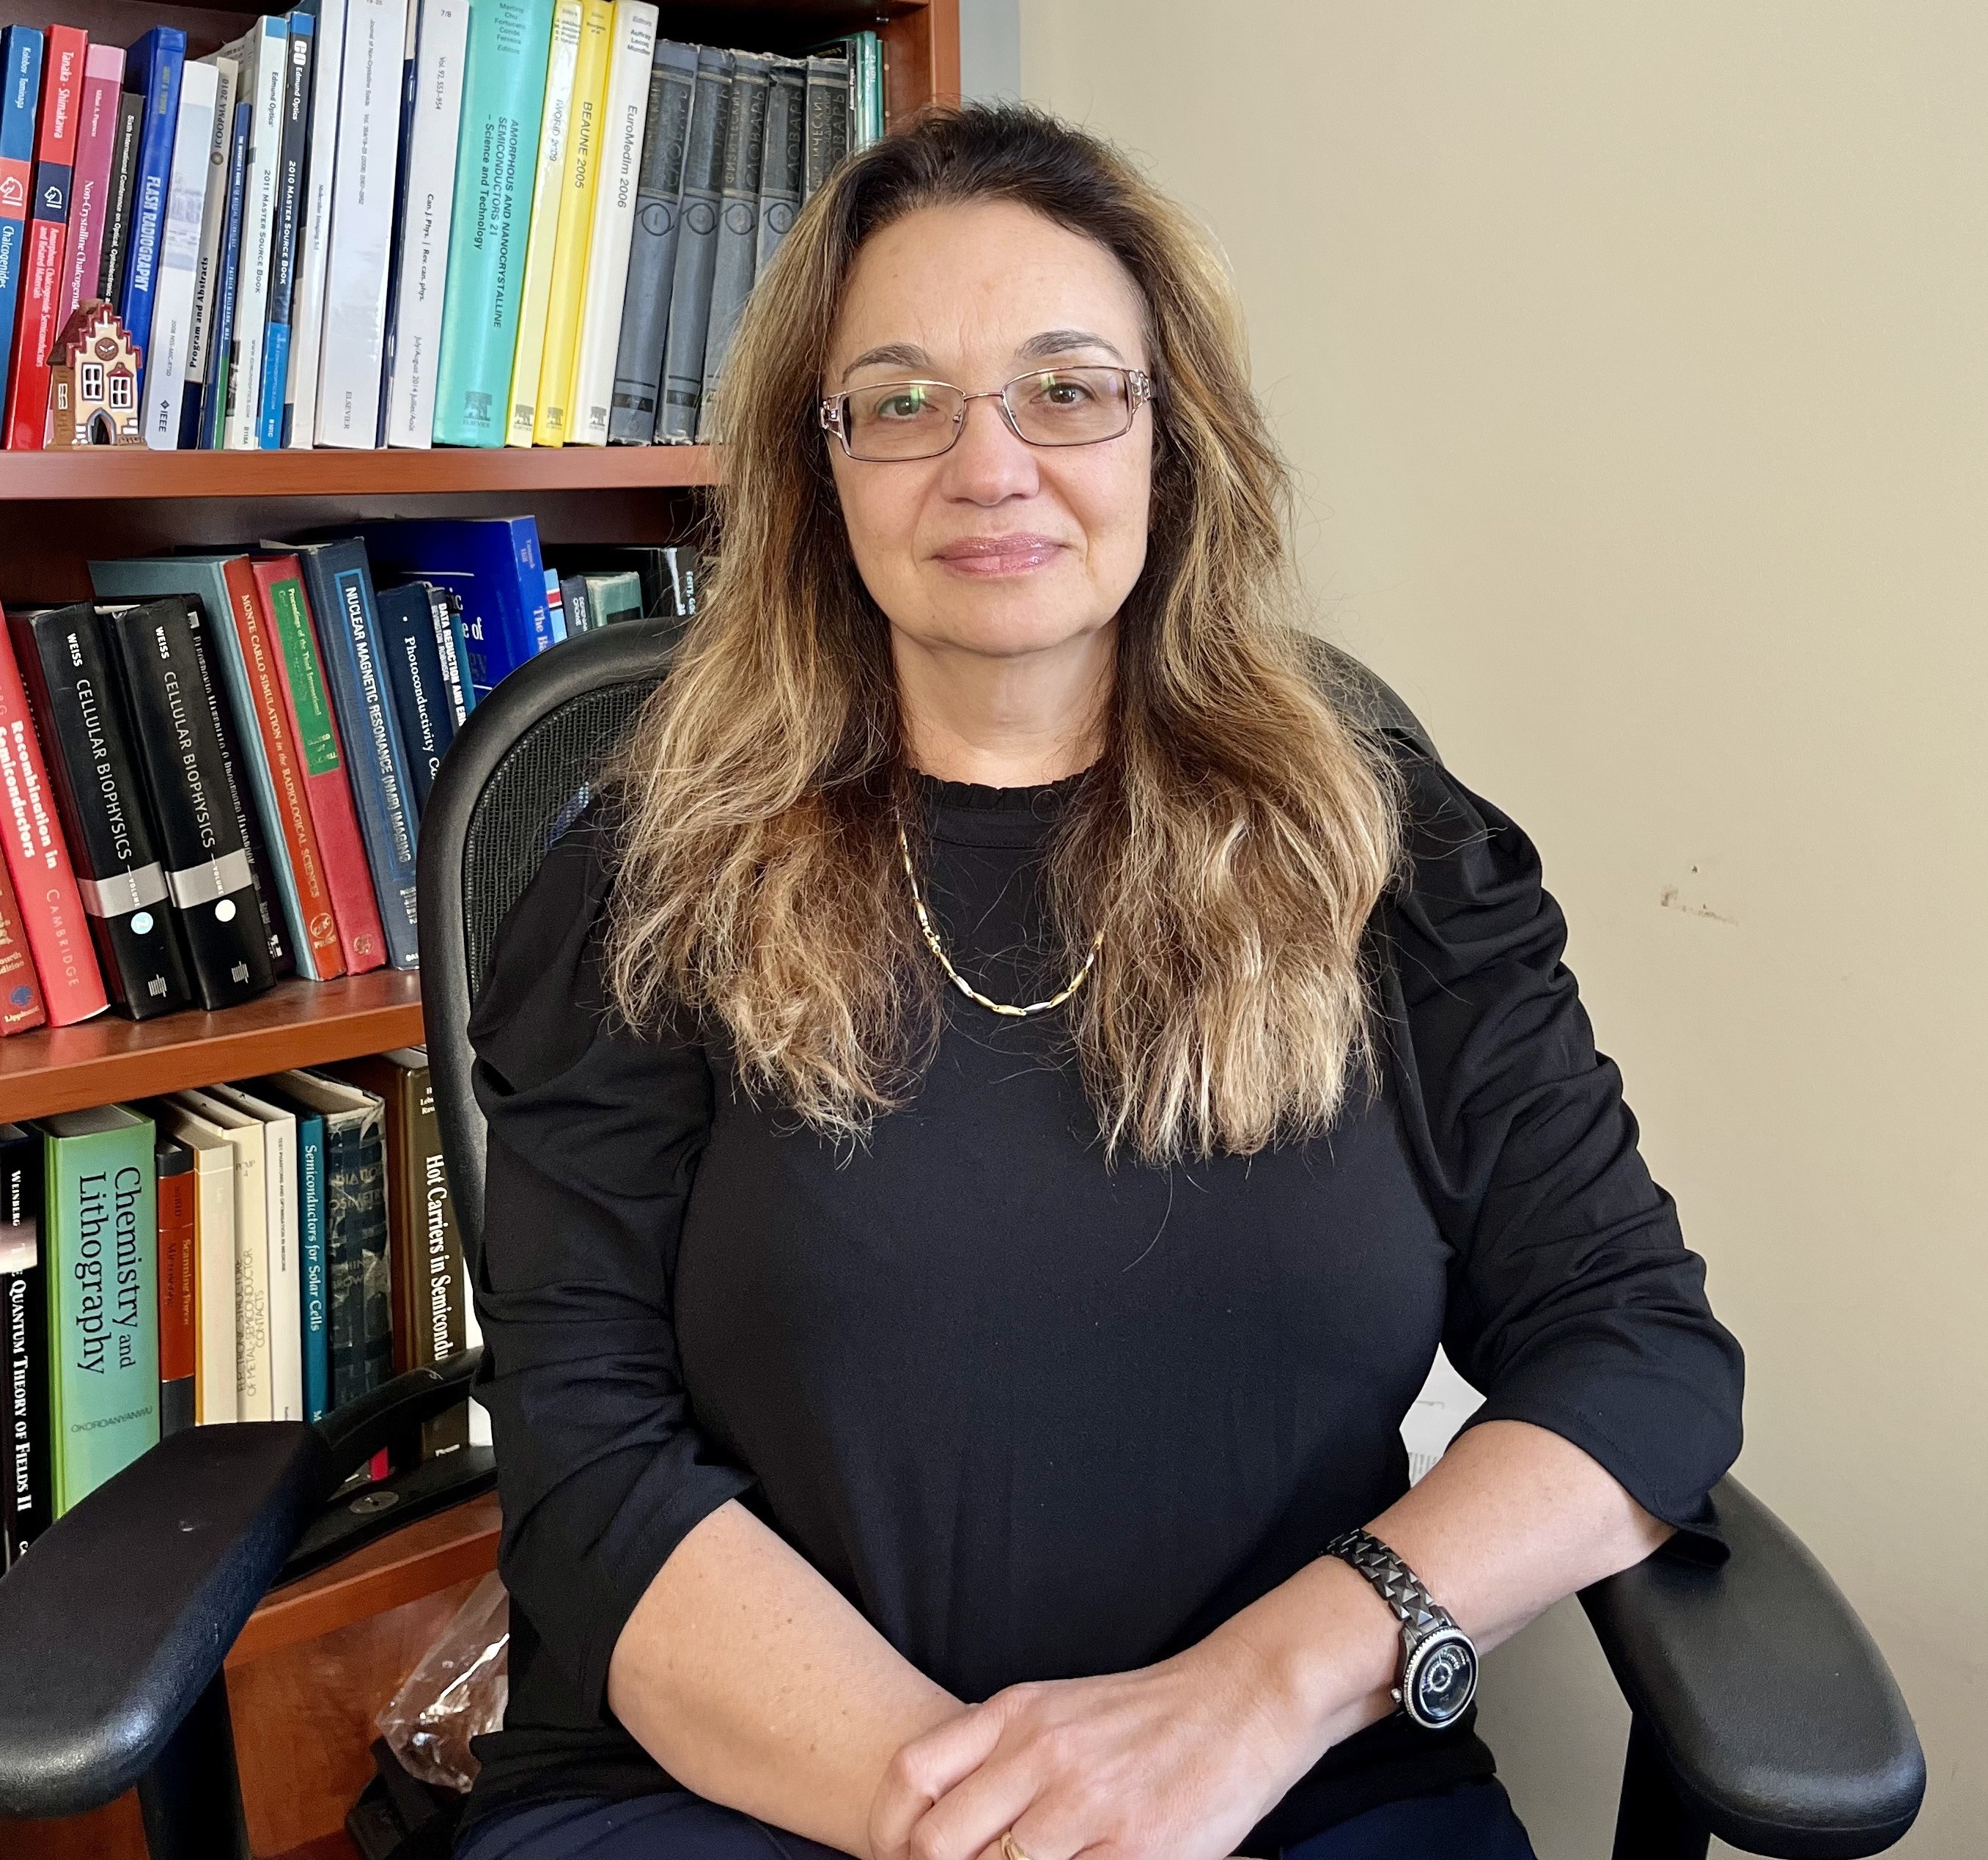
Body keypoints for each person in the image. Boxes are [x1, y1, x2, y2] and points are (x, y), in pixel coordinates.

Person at [452, 104, 1743, 1860]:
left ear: (1172, 445)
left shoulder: (1389, 856)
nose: (989, 468)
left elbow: (1635, 1349)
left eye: (1068, 389)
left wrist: (1259, 1699)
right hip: (742, 1791)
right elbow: (586, 1463)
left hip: (1292, 1785)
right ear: (818, 471)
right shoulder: (648, 879)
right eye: (902, 402)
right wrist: (988, 1825)